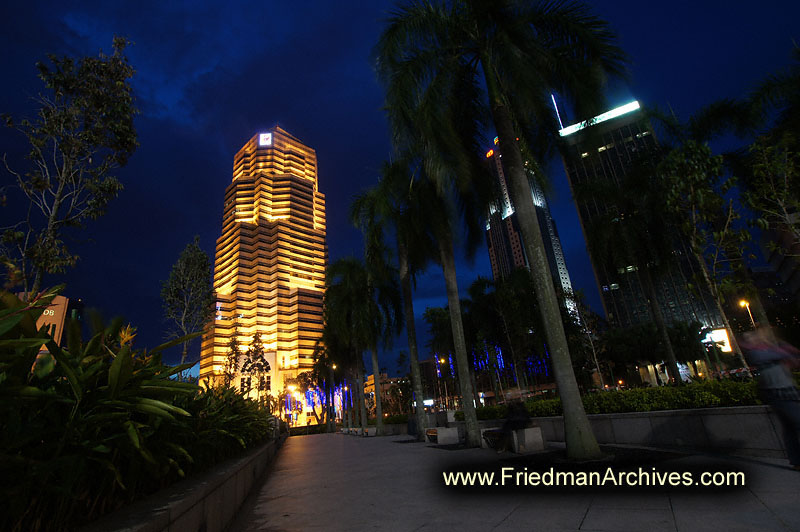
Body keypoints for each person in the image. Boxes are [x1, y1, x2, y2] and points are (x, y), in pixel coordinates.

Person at [740, 328, 800, 470]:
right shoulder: (757, 352)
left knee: (789, 428)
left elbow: (794, 356)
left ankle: (796, 461)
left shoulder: (770, 350)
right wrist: (777, 349)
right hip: (777, 394)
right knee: (795, 423)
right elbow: (781, 355)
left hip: (788, 391)